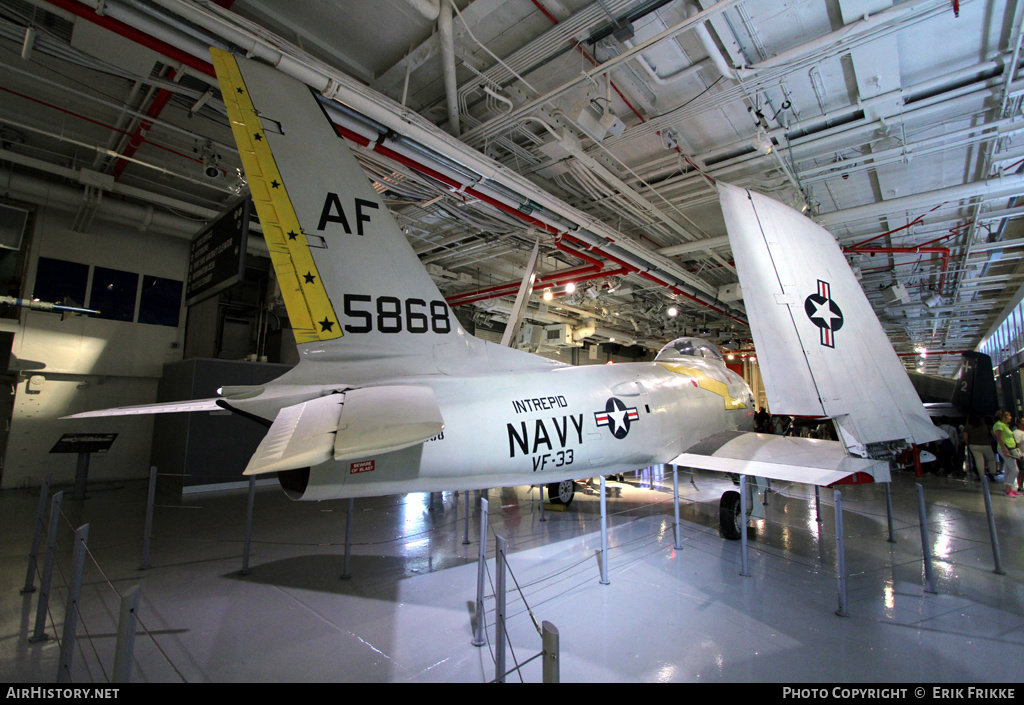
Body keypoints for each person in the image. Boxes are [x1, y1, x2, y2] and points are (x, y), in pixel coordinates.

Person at [993, 410, 1020, 497]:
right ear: (1003, 417)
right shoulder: (998, 425)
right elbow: (999, 438)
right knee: (1015, 470)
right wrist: (1005, 450)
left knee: (1008, 468)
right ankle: (1008, 490)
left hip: (1011, 448)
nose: (1011, 417)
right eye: (1009, 416)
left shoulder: (1005, 425)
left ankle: (1010, 489)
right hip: (1005, 449)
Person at [963, 414, 996, 482]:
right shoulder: (985, 426)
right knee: (990, 459)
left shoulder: (968, 427)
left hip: (974, 445)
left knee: (979, 460)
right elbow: (993, 435)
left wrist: (968, 445)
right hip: (986, 444)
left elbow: (965, 438)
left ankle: (981, 475)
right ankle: (992, 472)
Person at [1014, 417, 1024, 493]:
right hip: (1021, 455)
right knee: (1022, 471)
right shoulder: (1016, 433)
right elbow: (1016, 446)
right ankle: (1020, 487)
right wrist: (1020, 456)